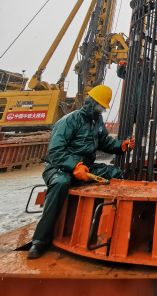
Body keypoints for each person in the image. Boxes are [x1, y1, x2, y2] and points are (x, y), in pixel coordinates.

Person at [27, 85, 135, 259]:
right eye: (99, 107)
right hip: (59, 167)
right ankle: (40, 241)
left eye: (102, 108)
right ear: (91, 102)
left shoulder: (97, 121)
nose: (101, 110)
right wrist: (74, 166)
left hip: (86, 167)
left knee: (116, 173)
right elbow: (55, 151)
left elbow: (105, 142)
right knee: (60, 183)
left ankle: (105, 226)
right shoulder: (69, 120)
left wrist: (121, 145)